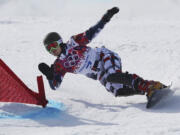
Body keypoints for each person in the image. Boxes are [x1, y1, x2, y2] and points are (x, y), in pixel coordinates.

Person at [38, 7, 166, 102]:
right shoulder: (59, 66)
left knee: (112, 76)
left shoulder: (73, 42)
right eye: (48, 49)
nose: (52, 50)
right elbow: (55, 86)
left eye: (53, 45)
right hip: (99, 74)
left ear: (60, 42)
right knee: (118, 91)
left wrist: (105, 19)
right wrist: (50, 76)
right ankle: (148, 90)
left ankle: (150, 86)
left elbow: (91, 33)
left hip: (103, 57)